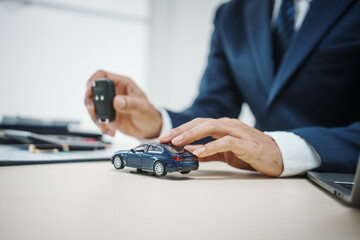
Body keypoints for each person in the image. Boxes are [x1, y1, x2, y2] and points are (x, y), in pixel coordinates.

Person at [84, 0, 360, 177]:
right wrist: (157, 123)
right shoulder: (231, 15)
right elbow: (213, 111)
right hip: (259, 189)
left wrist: (281, 148)